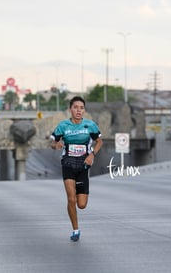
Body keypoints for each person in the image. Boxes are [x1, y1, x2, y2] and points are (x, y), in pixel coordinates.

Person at [50, 96, 103, 241]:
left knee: (81, 204)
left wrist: (92, 154)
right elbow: (52, 143)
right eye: (75, 107)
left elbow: (99, 141)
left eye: (81, 108)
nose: (78, 110)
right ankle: (75, 230)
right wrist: (56, 145)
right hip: (68, 163)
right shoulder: (63, 126)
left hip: (84, 164)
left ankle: (76, 223)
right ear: (70, 109)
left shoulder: (89, 125)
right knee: (71, 199)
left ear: (84, 110)